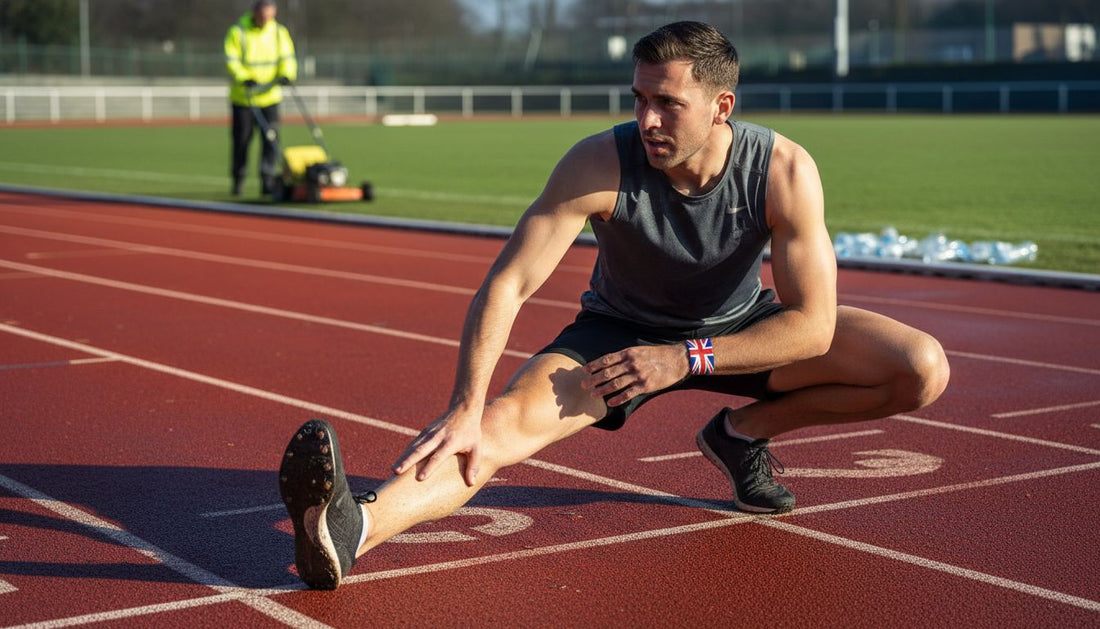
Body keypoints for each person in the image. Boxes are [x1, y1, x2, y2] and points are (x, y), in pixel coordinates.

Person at [278, 21, 950, 590]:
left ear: (722, 106)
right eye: (639, 99)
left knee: (920, 366)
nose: (647, 120)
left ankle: (740, 434)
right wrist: (464, 402)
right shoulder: (600, 163)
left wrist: (686, 357)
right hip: (619, 334)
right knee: (500, 424)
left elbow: (815, 326)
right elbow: (509, 282)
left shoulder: (783, 171)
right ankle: (352, 526)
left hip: (741, 329)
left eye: (667, 103)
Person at [224, 0, 297, 197]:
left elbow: (288, 57)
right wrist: (244, 78)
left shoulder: (279, 32)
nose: (265, 18)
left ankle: (268, 180)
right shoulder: (238, 32)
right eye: (262, 13)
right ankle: (238, 179)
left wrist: (287, 75)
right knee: (242, 141)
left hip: (270, 97)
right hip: (244, 98)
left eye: (269, 13)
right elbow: (231, 59)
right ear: (255, 11)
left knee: (271, 140)